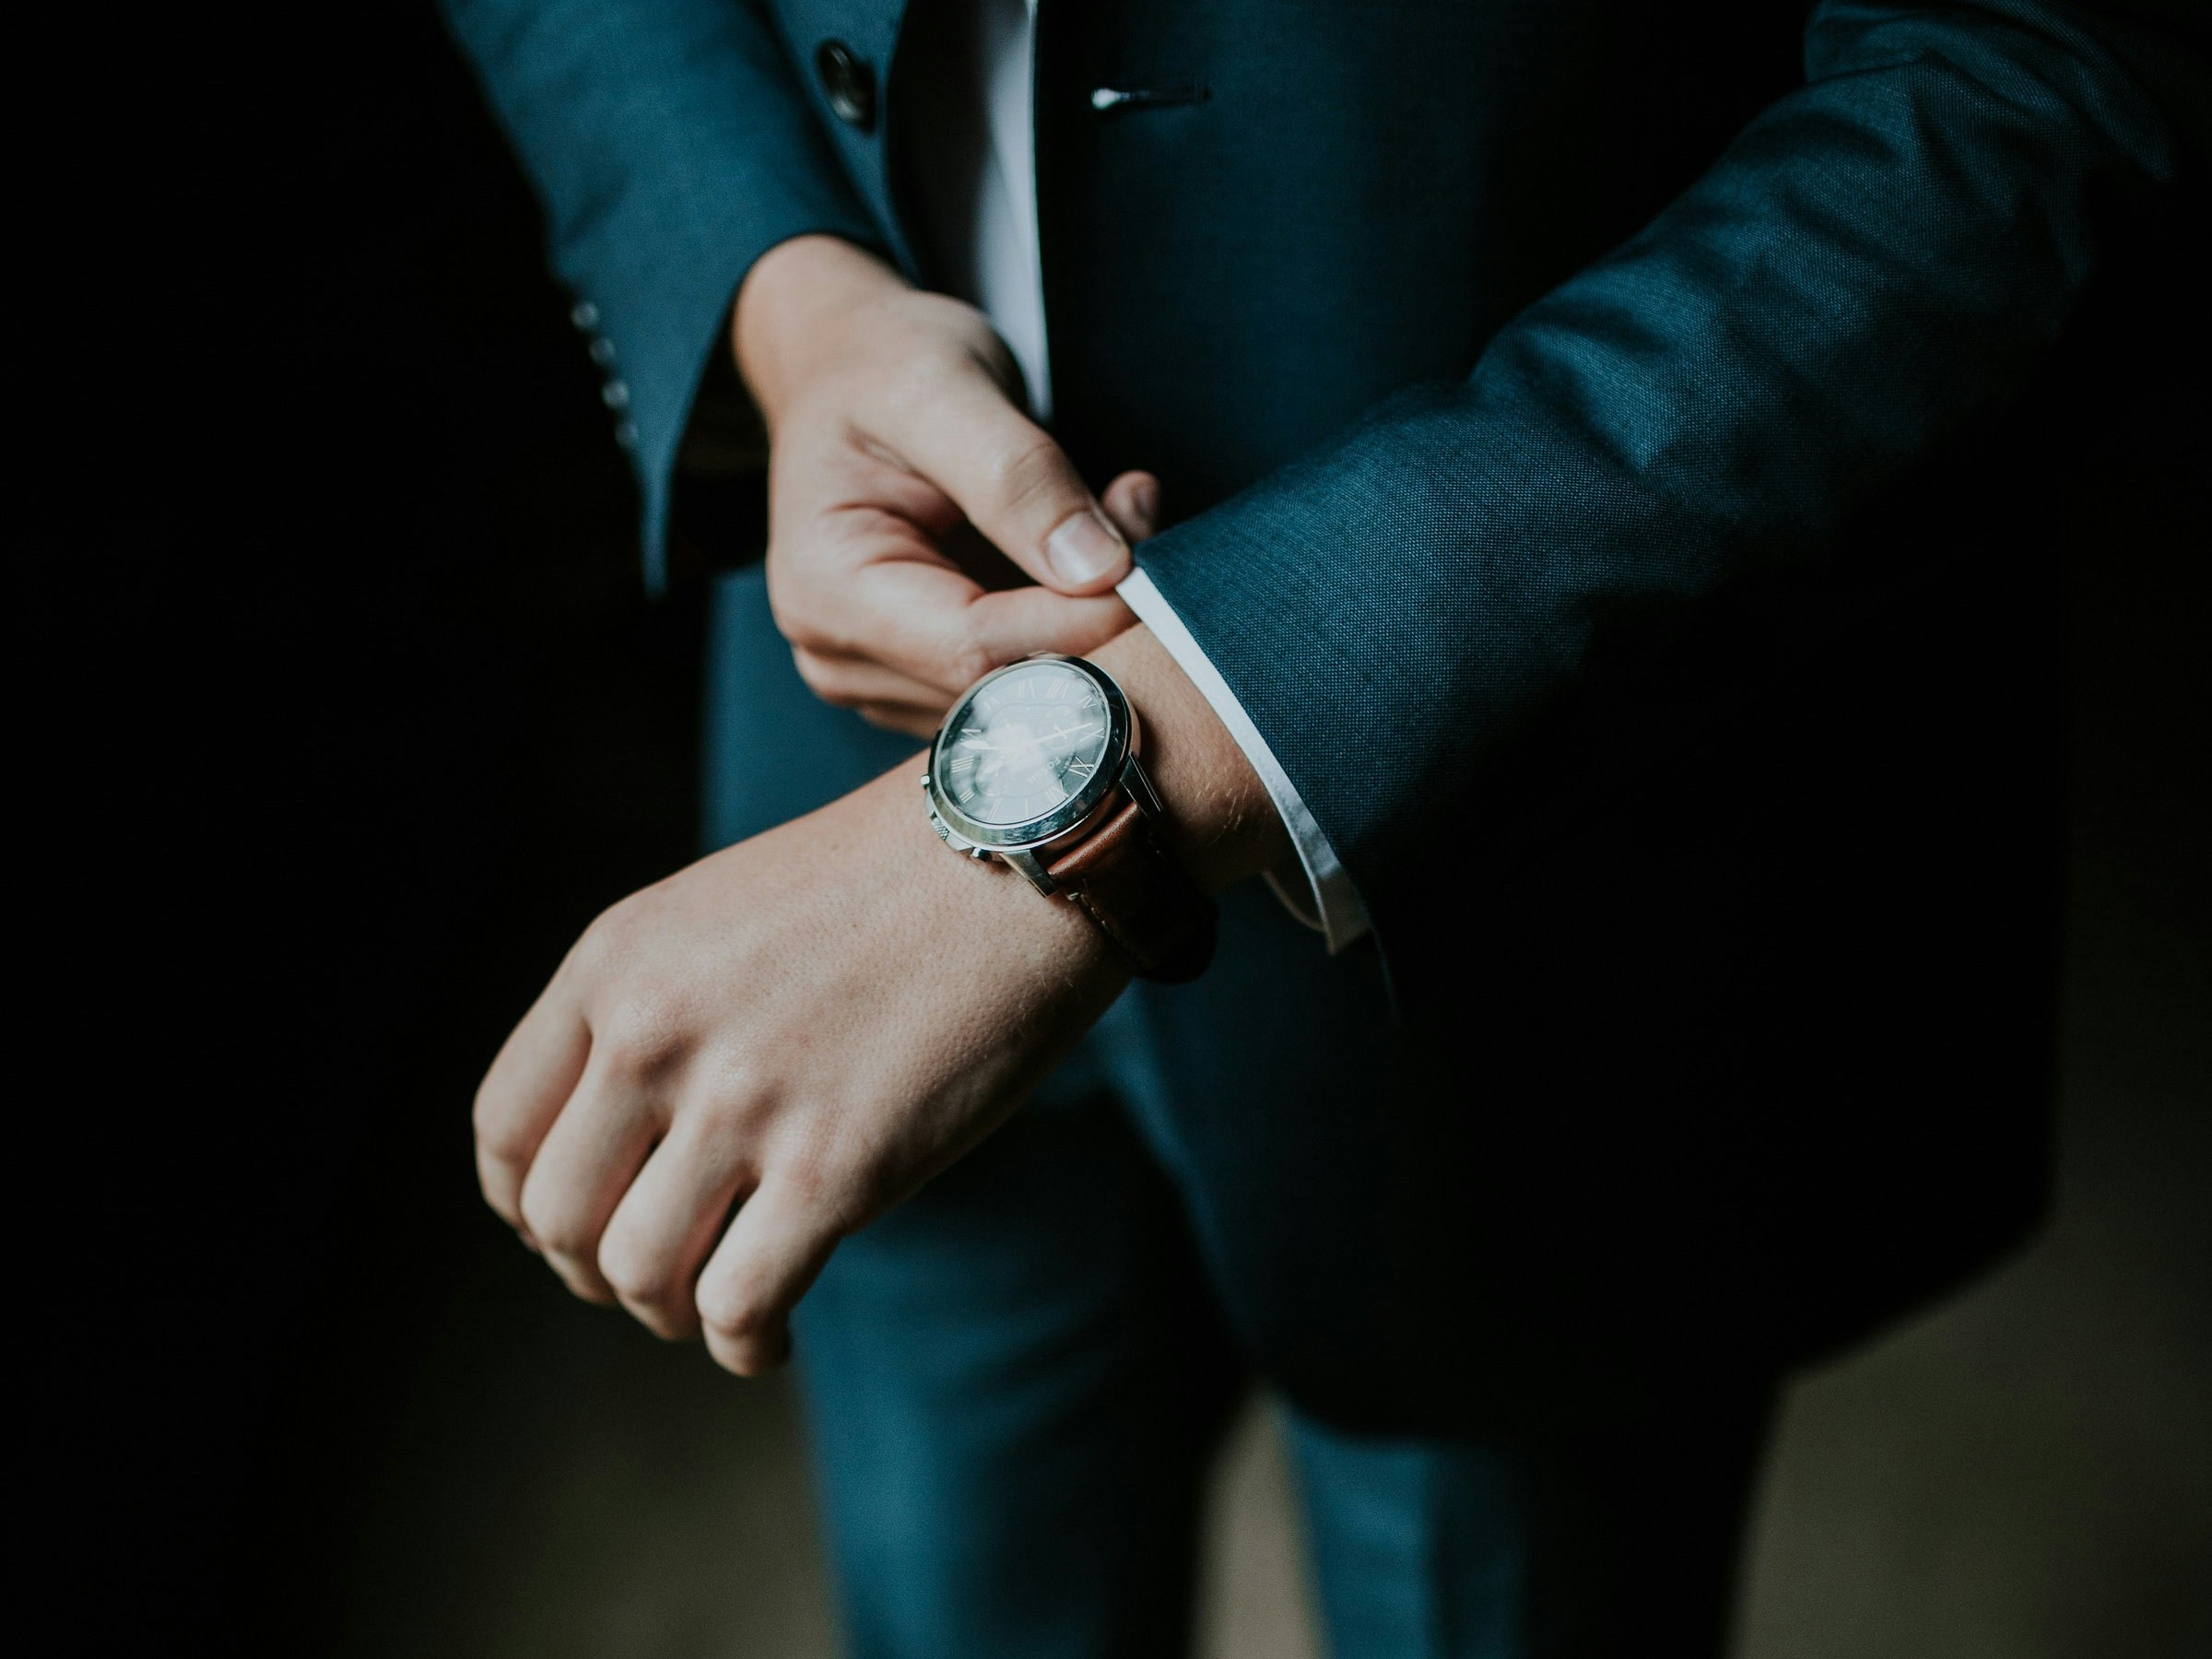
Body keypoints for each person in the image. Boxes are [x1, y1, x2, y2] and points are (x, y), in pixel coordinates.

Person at [443, 0, 2206, 1653]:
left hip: (1532, 886)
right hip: (828, 790)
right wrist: (783, 297)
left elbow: (2038, 71)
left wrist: (1179, 734)